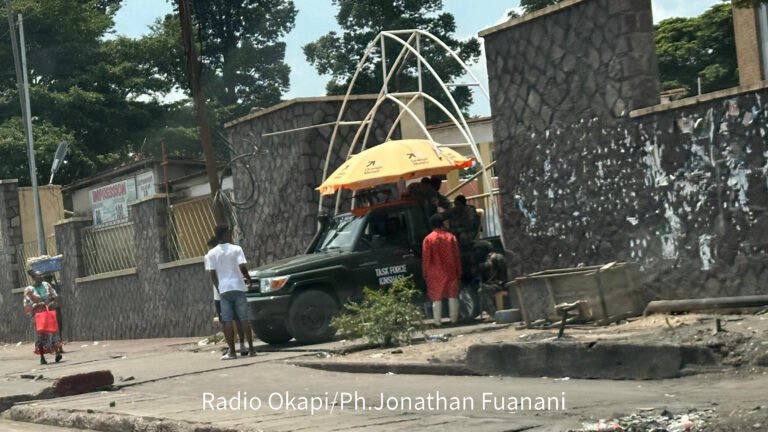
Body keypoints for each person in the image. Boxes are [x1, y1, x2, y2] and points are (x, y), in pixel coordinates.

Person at [204, 224, 256, 360]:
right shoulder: (236, 249)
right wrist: (248, 279)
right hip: (238, 287)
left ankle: (232, 352)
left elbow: (213, 274)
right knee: (244, 318)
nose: (231, 235)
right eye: (229, 233)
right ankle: (250, 349)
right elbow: (242, 266)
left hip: (224, 290)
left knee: (227, 321)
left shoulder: (211, 253)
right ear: (225, 234)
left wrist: (219, 288)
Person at [422, 214, 462, 325]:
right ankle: (454, 319)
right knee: (452, 295)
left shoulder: (428, 239)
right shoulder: (451, 237)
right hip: (451, 269)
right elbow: (456, 256)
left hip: (434, 272)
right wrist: (459, 271)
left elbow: (426, 258)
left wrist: (425, 272)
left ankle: (437, 321)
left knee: (436, 297)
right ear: (442, 224)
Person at [23, 270, 63, 365]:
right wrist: (35, 305)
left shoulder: (46, 285)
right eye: (38, 276)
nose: (40, 277)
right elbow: (26, 303)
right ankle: (42, 357)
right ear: (33, 278)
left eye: (41, 276)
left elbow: (54, 295)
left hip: (49, 312)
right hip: (38, 316)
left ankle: (57, 353)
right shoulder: (29, 290)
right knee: (41, 335)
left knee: (53, 331)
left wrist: (54, 302)